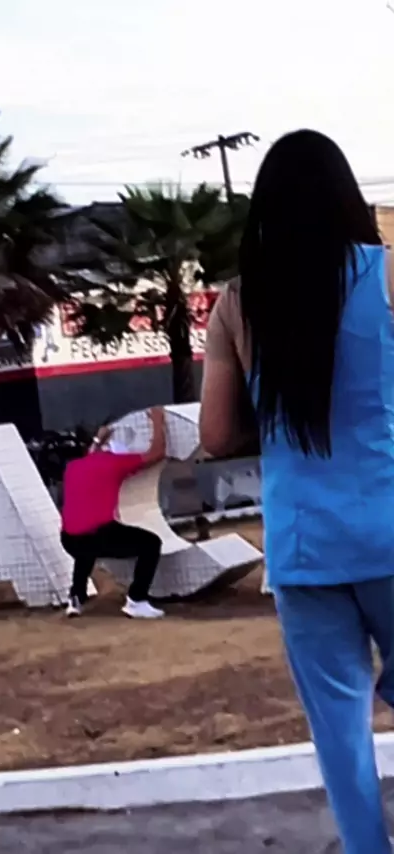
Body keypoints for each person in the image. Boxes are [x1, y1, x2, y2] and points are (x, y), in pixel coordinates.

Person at [200, 129, 394, 854]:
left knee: (339, 730)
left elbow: (216, 434)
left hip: (304, 548)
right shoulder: (388, 274)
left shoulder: (237, 303)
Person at [60, 407, 166, 620]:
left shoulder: (73, 467)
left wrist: (98, 440)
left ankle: (75, 597)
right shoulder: (115, 463)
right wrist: (157, 421)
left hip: (69, 539)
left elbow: (92, 453)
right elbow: (157, 453)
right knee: (151, 543)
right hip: (100, 535)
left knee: (84, 548)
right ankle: (136, 600)